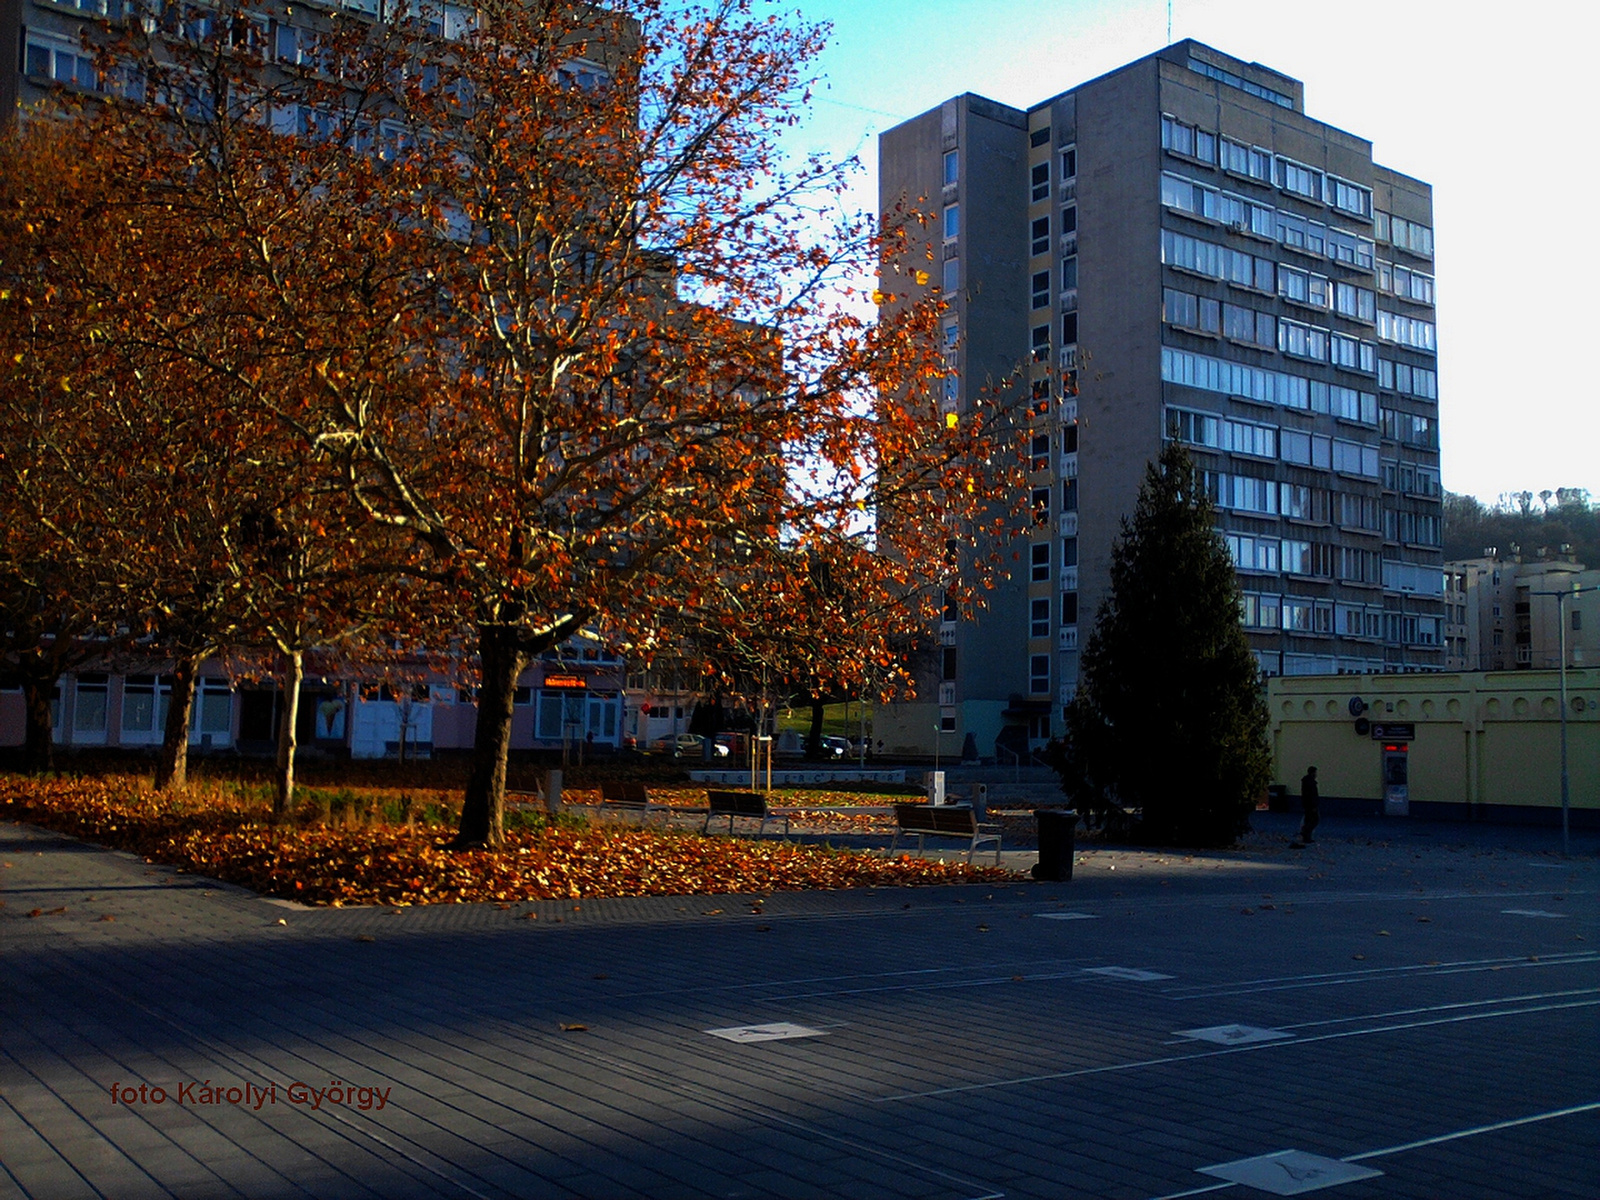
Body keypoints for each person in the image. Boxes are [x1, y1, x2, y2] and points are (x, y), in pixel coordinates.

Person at [1297, 766, 1320, 845]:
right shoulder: (1311, 783)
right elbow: (1312, 795)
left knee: (1308, 820)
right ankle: (1305, 833)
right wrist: (1314, 805)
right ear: (1313, 772)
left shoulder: (1306, 781)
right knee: (1314, 820)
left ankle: (1306, 836)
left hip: (1307, 804)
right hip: (1311, 805)